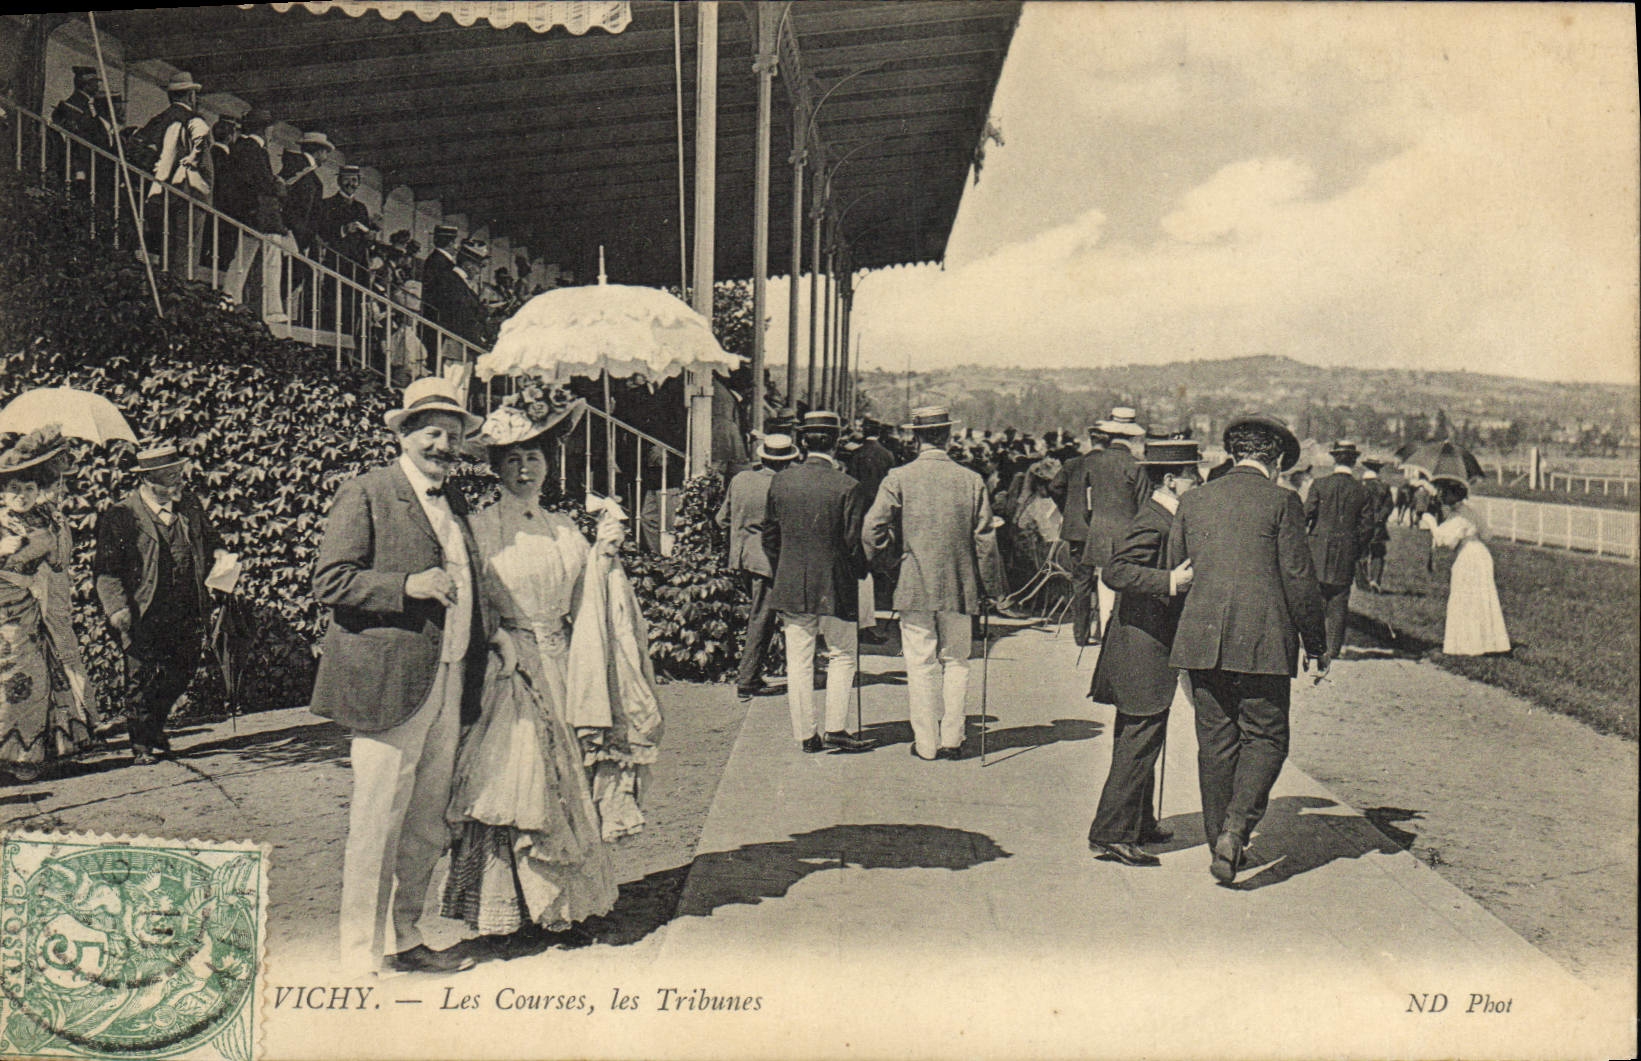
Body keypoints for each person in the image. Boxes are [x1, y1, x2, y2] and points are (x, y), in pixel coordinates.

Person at [440, 392, 639, 942]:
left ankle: (562, 909)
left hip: (563, 666)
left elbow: (587, 606)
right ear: (496, 468)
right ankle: (505, 913)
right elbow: (470, 597)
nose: (524, 469)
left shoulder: (565, 531)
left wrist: (606, 557)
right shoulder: (480, 528)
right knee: (510, 781)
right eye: (511, 459)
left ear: (550, 463)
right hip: (506, 666)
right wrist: (499, 639)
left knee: (567, 778)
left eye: (534, 457)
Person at [309, 377, 488, 976]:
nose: (443, 443)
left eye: (453, 434)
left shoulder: (456, 503)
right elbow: (330, 581)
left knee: (427, 821)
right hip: (391, 685)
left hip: (451, 678)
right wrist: (406, 587)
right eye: (431, 431)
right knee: (376, 819)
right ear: (405, 433)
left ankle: (406, 936)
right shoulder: (368, 492)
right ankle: (359, 954)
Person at [1167, 413, 1327, 885]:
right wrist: (1316, 645)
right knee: (1268, 736)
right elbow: (1298, 579)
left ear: (1233, 453)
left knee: (1215, 741)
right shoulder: (1283, 502)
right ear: (1276, 459)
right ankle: (1235, 831)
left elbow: (1176, 569)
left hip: (1201, 640)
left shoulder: (1193, 501)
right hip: (1263, 642)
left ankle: (1220, 837)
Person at [863, 406, 1003, 761]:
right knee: (957, 661)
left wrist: (889, 565)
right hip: (961, 585)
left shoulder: (898, 477)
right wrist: (991, 588)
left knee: (920, 662)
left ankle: (925, 743)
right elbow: (985, 540)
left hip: (913, 582)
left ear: (916, 437)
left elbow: (871, 529)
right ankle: (953, 739)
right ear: (947, 436)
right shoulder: (971, 480)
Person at [1086, 438, 1201, 866]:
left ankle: (1140, 821)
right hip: (1142, 649)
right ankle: (1111, 834)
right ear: (1171, 480)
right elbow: (1116, 572)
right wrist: (1170, 582)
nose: (1199, 481)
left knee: (1143, 734)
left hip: (1145, 646)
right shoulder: (1153, 521)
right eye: (1193, 475)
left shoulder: (1162, 515)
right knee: (1139, 739)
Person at [93, 441, 224, 764]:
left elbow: (210, 539)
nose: (177, 483)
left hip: (186, 606)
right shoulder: (122, 515)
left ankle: (155, 726)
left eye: (178, 475)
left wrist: (220, 555)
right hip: (143, 610)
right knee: (141, 676)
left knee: (183, 668)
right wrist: (116, 608)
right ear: (147, 481)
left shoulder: (189, 505)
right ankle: (141, 744)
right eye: (169, 478)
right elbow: (106, 570)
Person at [762, 411, 873, 754]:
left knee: (798, 660)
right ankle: (836, 728)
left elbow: (769, 536)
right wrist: (860, 571)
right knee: (841, 655)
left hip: (792, 583)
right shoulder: (848, 486)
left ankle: (805, 735)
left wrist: (785, 568)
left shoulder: (781, 481)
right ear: (837, 443)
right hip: (835, 584)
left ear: (803, 442)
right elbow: (854, 543)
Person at [1, 428, 98, 783]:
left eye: (29, 488)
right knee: (15, 682)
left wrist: (60, 532)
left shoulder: (43, 518)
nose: (22, 495)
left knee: (39, 679)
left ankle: (26, 755)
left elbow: (58, 564)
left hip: (27, 612)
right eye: (14, 489)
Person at [716, 432, 801, 700]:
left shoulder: (741, 479)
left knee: (758, 615)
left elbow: (722, 519)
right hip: (767, 560)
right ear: (787, 461)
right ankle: (747, 679)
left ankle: (751, 675)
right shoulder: (783, 485)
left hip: (742, 556)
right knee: (761, 619)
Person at [1074, 407, 1151, 646]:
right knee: (1126, 591)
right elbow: (1145, 507)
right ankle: (1120, 640)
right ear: (1132, 437)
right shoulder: (1136, 465)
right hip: (1128, 536)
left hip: (1098, 533)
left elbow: (1083, 501)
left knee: (1104, 585)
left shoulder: (1094, 463)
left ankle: (1105, 636)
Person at [1421, 477, 1510, 656]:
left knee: (1466, 597)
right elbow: (1487, 534)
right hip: (1481, 554)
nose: (1441, 495)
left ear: (1454, 495)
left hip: (1468, 557)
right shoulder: (1468, 512)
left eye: (1445, 492)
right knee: (1482, 597)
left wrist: (1430, 521)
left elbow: (1443, 540)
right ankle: (1486, 642)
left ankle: (1468, 645)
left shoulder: (1458, 517)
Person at [1304, 440, 1375, 660]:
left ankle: (1314, 646)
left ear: (1334, 459)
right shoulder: (1361, 490)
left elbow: (1306, 514)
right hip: (1346, 551)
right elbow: (1367, 527)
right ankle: (1332, 649)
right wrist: (1355, 547)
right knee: (1339, 600)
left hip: (1317, 550)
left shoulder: (1319, 484)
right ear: (1354, 462)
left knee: (1315, 598)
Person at [219, 108, 289, 321]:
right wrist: (276, 186)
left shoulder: (242, 147)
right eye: (271, 129)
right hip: (256, 215)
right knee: (262, 259)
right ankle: (264, 306)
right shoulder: (252, 149)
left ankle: (232, 297)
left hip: (252, 215)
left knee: (247, 258)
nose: (272, 134)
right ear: (265, 130)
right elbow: (255, 182)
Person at [141, 74, 213, 268]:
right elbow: (203, 162)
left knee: (167, 248)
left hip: (160, 193)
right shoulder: (195, 121)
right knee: (186, 252)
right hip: (189, 193)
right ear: (190, 96)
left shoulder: (157, 121)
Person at [1047, 427, 1099, 645]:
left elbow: (1054, 487)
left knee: (1082, 583)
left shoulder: (1073, 464)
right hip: (1107, 531)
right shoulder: (1111, 464)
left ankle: (1081, 634)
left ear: (1090, 440)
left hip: (1078, 532)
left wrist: (1069, 509)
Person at [50, 66, 112, 201]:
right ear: (85, 84)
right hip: (81, 160)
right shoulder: (71, 105)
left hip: (95, 160)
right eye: (94, 82)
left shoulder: (93, 105)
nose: (97, 86)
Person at [1356, 460, 1394, 591]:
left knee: (1360, 554)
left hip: (1361, 524)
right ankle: (1375, 581)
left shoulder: (1358, 485)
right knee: (1378, 553)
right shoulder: (1384, 486)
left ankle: (1363, 583)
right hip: (1378, 525)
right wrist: (1380, 519)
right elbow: (1389, 506)